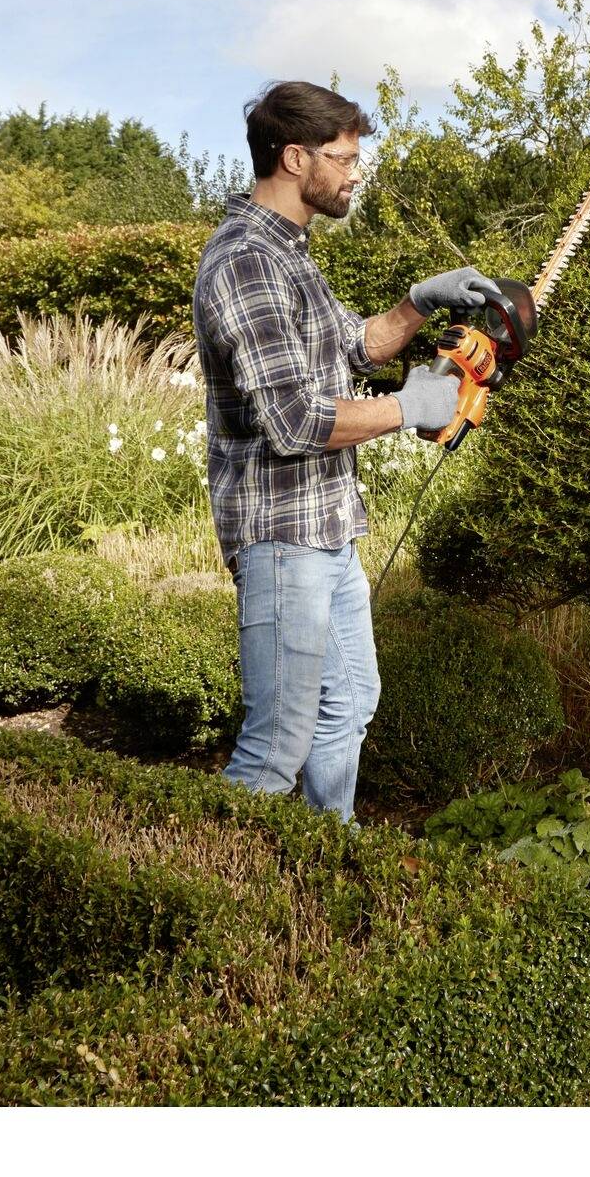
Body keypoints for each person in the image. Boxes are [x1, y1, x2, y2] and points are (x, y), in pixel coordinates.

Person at [191, 79, 497, 820]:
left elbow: (352, 347)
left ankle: (328, 865)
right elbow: (293, 420)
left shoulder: (290, 253)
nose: (356, 172)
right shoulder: (246, 262)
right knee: (275, 744)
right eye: (345, 157)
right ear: (296, 158)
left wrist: (419, 304)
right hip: (281, 538)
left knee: (349, 703)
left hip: (328, 530)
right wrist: (410, 409)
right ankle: (217, 897)